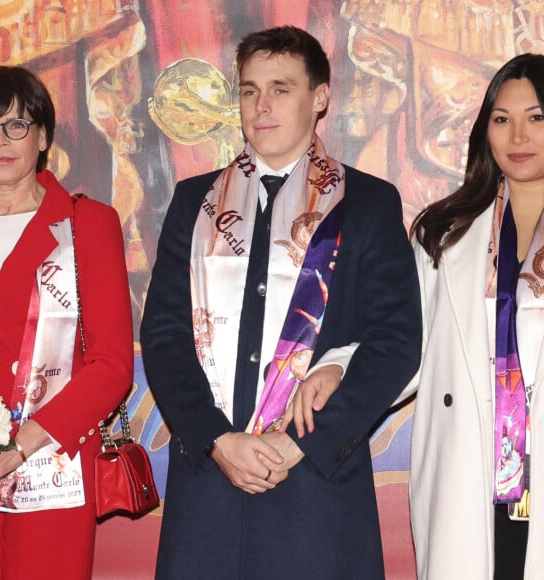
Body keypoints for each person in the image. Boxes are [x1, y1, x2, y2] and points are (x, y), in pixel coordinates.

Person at [140, 25, 421, 579]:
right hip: (209, 484)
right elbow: (165, 334)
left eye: (281, 88)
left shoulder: (367, 202)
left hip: (317, 487)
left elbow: (397, 342)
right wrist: (216, 439)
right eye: (249, 90)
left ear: (320, 98)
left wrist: (297, 446)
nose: (261, 106)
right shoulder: (194, 201)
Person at [286, 53, 544, 580]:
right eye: (502, 118)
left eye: (537, 117)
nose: (518, 135)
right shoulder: (444, 233)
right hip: (466, 464)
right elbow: (409, 341)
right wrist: (338, 365)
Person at [0, 66, 133, 579]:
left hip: (49, 462)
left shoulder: (87, 224)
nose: (1, 139)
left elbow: (111, 366)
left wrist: (19, 446)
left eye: (17, 125)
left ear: (43, 138)